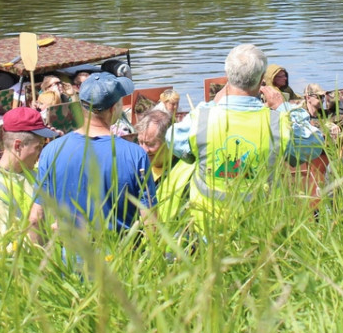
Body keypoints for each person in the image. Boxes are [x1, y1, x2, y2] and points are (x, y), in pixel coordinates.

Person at [171, 44, 324, 227]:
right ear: (261, 81)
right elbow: (314, 144)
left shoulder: (202, 118)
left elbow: (174, 141)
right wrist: (283, 107)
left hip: (208, 230)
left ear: (228, 77)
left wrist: (212, 104)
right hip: (261, 228)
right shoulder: (276, 123)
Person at [28, 72, 155, 240]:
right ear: (113, 108)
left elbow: (35, 219)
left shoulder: (51, 151)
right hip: (122, 258)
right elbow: (151, 223)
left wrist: (44, 260)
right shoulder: (135, 154)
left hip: (71, 259)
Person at [0, 107, 60, 247]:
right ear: (18, 146)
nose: (41, 153)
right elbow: (5, 252)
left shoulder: (33, 171)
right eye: (39, 147)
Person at [135, 108, 194, 229]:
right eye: (140, 142)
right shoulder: (137, 163)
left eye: (150, 144)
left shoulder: (188, 170)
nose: (143, 150)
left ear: (169, 142)